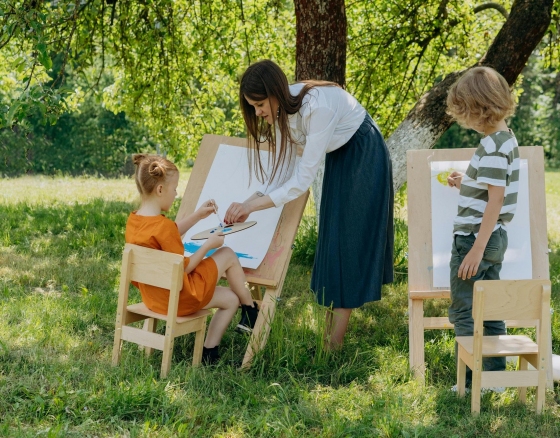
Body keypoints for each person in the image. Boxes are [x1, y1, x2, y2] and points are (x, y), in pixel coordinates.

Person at [224, 60, 394, 351]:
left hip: (364, 155)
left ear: (275, 93)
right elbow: (282, 171)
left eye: (260, 104)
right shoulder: (281, 113)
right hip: (343, 157)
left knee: (347, 245)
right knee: (333, 242)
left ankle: (333, 347)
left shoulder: (317, 107)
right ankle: (328, 339)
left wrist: (252, 208)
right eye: (253, 107)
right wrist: (247, 201)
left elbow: (301, 180)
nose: (258, 112)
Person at [125, 154, 259, 365]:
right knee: (228, 254)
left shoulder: (135, 221)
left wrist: (197, 216)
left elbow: (167, 235)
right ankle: (251, 310)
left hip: (155, 298)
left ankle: (210, 353)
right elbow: (184, 270)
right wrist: (208, 245)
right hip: (181, 298)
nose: (176, 193)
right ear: (160, 190)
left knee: (230, 299)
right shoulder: (164, 227)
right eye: (175, 188)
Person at [445, 66, 519, 388]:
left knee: (463, 311)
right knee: (490, 310)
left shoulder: (490, 146)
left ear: (479, 109)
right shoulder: (506, 140)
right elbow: (492, 190)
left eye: (466, 113)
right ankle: (496, 377)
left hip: (474, 240)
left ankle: (471, 379)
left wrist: (474, 249)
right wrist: (467, 182)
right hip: (496, 238)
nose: (465, 121)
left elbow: (495, 202)